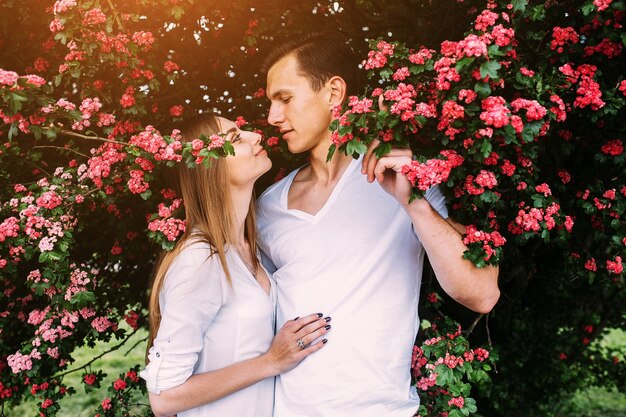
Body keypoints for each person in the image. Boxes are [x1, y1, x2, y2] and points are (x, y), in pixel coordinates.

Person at [256, 31, 500, 417]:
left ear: (334, 93)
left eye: (284, 99)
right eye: (271, 103)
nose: (273, 117)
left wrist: (412, 203)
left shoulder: (405, 179)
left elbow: (481, 294)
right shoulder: (269, 206)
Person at [140, 115, 331, 417]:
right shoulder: (200, 259)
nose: (255, 135)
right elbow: (164, 397)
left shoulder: (248, 250)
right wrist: (270, 362)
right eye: (235, 138)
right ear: (210, 167)